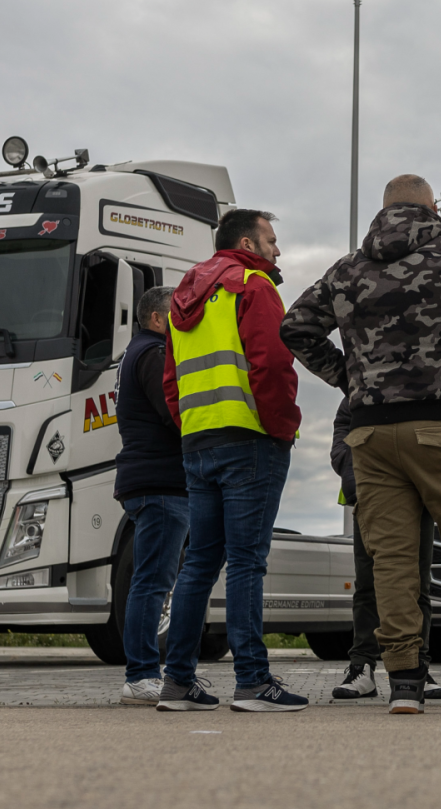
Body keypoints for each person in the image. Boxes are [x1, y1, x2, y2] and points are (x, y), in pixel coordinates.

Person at [281, 173, 441, 715]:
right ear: (431, 205)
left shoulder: (348, 268)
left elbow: (296, 326)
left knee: (391, 563)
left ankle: (404, 684)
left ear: (384, 209)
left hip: (371, 432)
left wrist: (350, 378)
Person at [156, 208, 308, 713]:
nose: (278, 250)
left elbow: (172, 379)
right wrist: (282, 426)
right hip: (250, 438)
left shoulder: (183, 297)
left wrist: (191, 426)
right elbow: (272, 364)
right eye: (271, 239)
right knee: (246, 561)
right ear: (248, 240)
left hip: (199, 442)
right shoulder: (252, 286)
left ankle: (177, 681)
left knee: (199, 562)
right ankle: (253, 681)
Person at [329, 398, 441, 702]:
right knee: (368, 585)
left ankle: (419, 665)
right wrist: (360, 483)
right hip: (369, 497)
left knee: (418, 584)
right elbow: (342, 441)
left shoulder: (424, 387)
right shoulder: (357, 394)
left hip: (418, 498)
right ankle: (361, 668)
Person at [114, 286, 189, 706]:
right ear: (158, 319)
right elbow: (173, 412)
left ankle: (146, 672)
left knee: (151, 580)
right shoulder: (155, 354)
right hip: (161, 483)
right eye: (176, 313)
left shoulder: (134, 352)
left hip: (149, 482)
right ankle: (141, 674)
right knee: (152, 582)